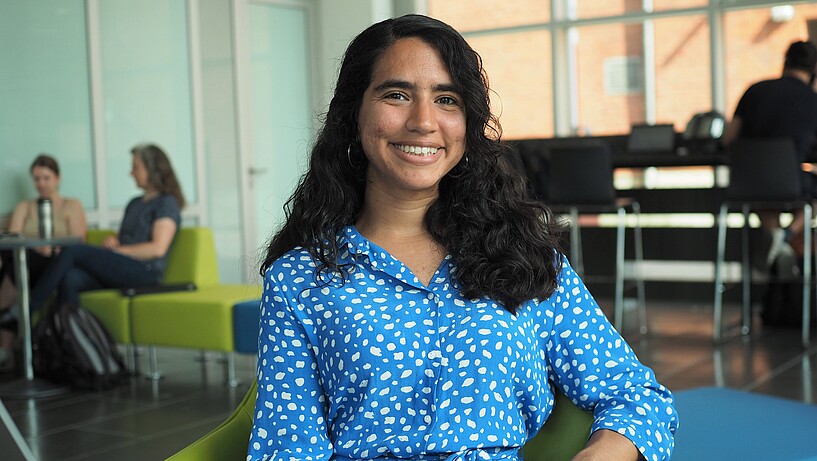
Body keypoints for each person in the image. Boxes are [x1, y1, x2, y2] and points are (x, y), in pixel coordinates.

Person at [248, 14, 677, 461]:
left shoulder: (525, 256)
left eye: (447, 99)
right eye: (396, 94)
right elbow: (286, 448)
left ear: (467, 123)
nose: (423, 121)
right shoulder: (299, 279)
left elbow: (635, 393)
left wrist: (599, 454)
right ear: (353, 113)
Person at [26, 143, 185, 317]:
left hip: (145, 273)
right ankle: (70, 337)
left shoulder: (166, 203)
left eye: (135, 167)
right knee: (70, 277)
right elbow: (127, 237)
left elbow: (157, 248)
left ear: (152, 169)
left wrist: (120, 251)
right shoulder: (135, 203)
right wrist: (114, 241)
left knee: (72, 250)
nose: (131, 173)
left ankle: (27, 309)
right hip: (123, 267)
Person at [721, 40, 817, 266]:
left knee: (764, 196)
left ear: (785, 63)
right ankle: (787, 236)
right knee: (807, 194)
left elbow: (728, 139)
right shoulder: (812, 100)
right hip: (791, 183)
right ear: (814, 70)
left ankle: (776, 241)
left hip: (748, 183)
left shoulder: (755, 90)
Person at [0, 154, 87, 371]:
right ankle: (12, 322)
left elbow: (78, 241)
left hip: (56, 264)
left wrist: (51, 250)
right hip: (27, 261)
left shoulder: (71, 205)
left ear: (57, 178)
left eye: (46, 178)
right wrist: (38, 247)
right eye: (37, 179)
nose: (41, 184)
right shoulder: (25, 206)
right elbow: (15, 237)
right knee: (15, 260)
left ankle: (6, 339)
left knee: (15, 267)